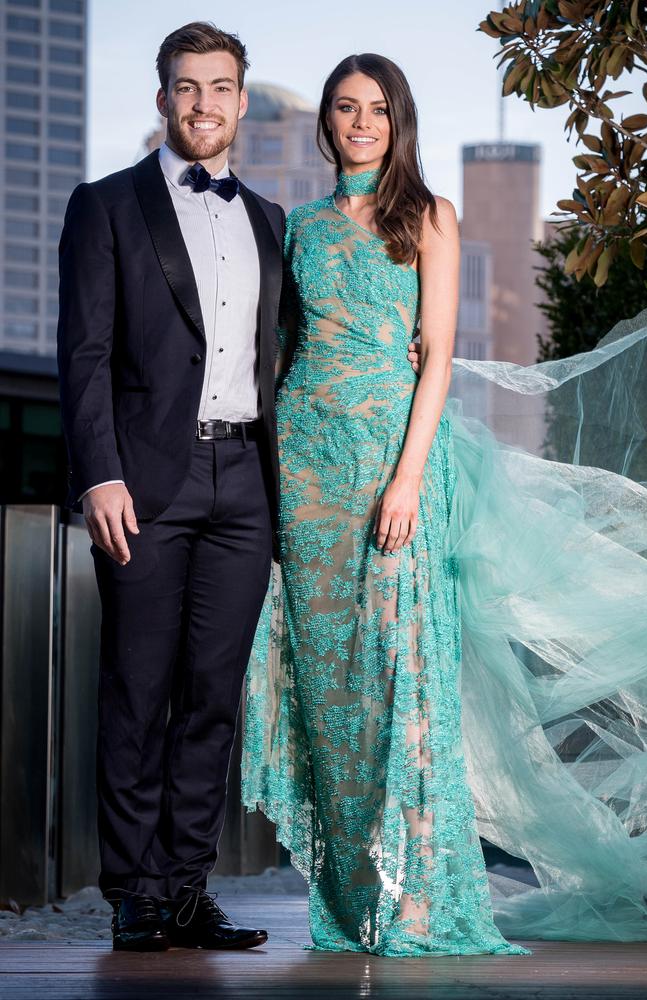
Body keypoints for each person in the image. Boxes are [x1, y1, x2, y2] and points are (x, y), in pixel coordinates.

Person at [242, 52, 647, 956]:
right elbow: (277, 356)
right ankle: (351, 906)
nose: (359, 123)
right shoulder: (297, 227)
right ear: (327, 123)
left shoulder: (429, 217)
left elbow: (434, 359)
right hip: (306, 471)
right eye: (345, 109)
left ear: (400, 122)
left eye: (376, 110)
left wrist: (406, 478)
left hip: (393, 461)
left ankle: (415, 901)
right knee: (330, 691)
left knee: (400, 682)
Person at [57, 22, 283, 951]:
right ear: (163, 99)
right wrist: (99, 473)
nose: (203, 104)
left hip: (248, 486)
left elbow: (295, 356)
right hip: (147, 478)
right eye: (186, 87)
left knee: (214, 694)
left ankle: (187, 888)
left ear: (241, 100)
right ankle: (136, 894)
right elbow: (85, 354)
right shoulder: (105, 205)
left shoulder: (271, 221)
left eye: (220, 87)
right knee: (137, 689)